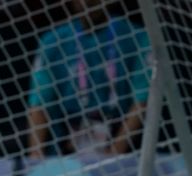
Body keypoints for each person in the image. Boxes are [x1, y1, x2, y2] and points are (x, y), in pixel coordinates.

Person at [26, 0, 152, 159]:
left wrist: (114, 155)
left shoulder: (136, 36)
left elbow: (142, 100)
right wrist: (35, 157)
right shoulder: (52, 41)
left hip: (119, 139)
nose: (86, 2)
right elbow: (39, 103)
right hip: (66, 144)